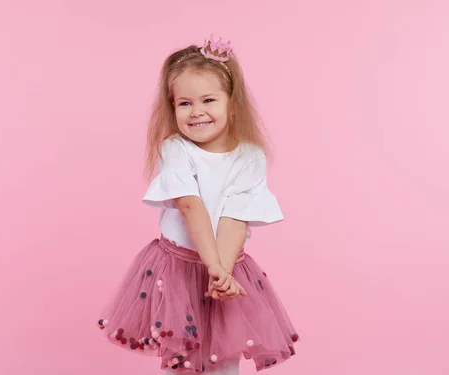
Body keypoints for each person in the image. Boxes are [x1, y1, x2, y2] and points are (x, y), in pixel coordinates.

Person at [97, 35, 299, 374]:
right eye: (184, 104)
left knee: (225, 357)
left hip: (228, 265)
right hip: (178, 269)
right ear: (172, 107)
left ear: (232, 104)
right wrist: (214, 266)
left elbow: (236, 218)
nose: (197, 112)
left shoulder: (250, 156)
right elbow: (191, 207)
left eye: (208, 100)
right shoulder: (176, 149)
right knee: (182, 357)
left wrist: (223, 271)